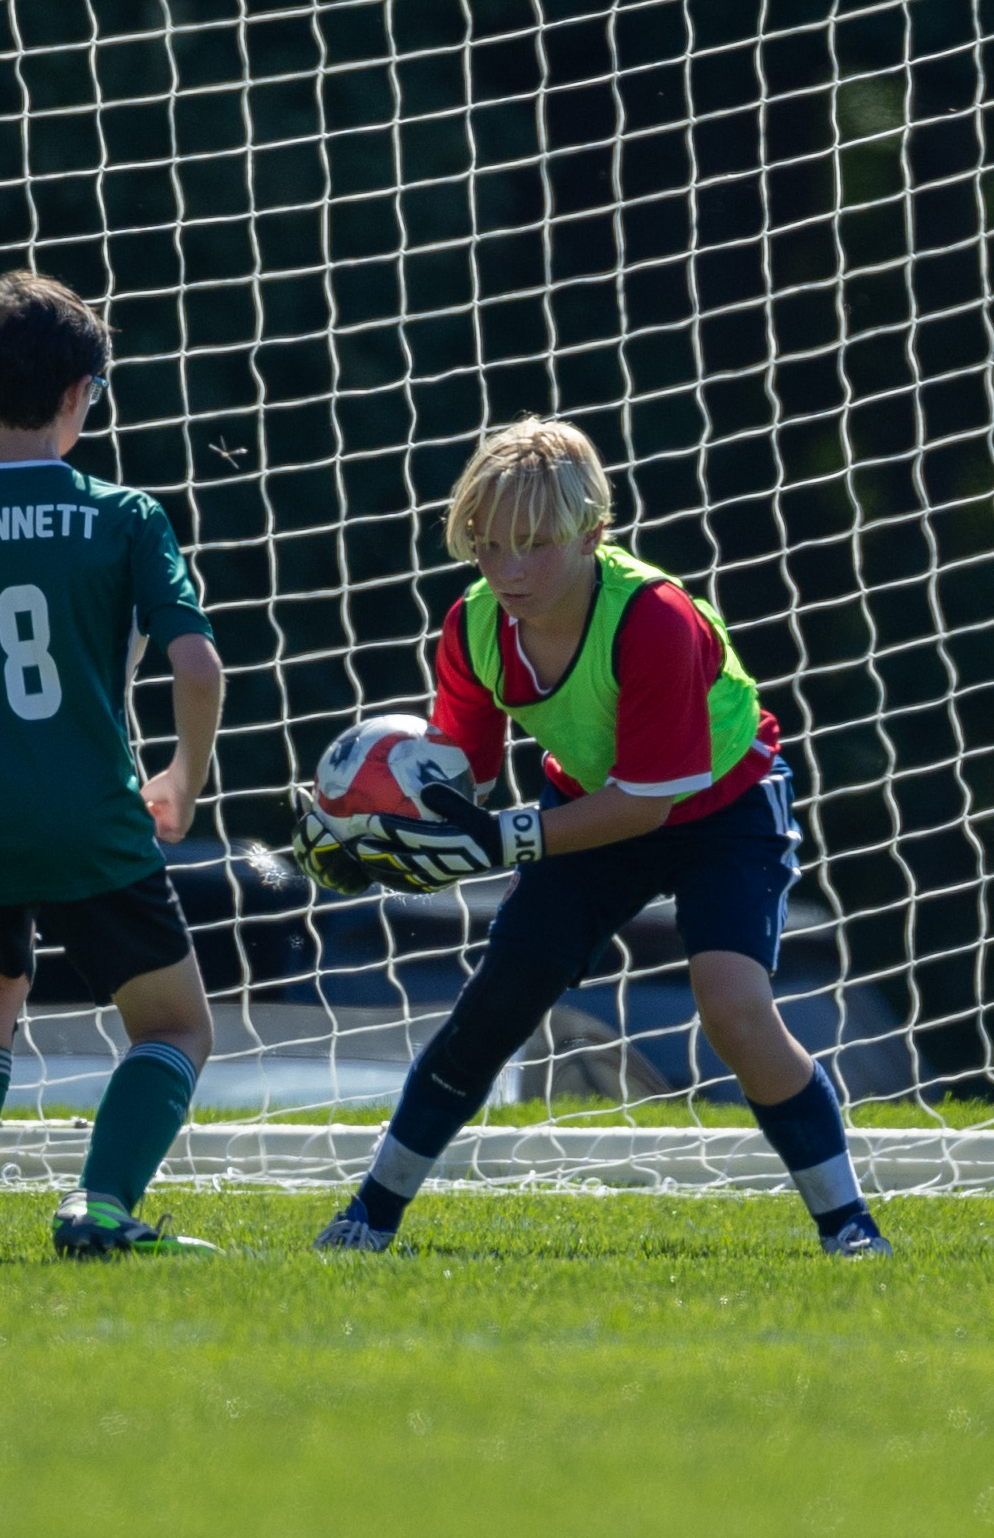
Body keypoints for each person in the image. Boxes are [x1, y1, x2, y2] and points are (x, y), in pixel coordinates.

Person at [297, 418, 888, 1257]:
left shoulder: (653, 618)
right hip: (589, 802)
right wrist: (377, 825)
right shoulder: (473, 624)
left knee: (733, 1006)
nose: (508, 569)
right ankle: (369, 1217)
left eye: (534, 544)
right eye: (488, 543)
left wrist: (502, 839)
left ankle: (849, 1225)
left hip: (725, 803)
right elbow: (465, 772)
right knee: (499, 999)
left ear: (592, 533)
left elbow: (644, 803)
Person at [0, 272, 230, 1262]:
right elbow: (198, 665)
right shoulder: (124, 515)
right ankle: (98, 1204)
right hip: (90, 818)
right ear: (75, 393)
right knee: (174, 1028)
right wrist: (183, 778)